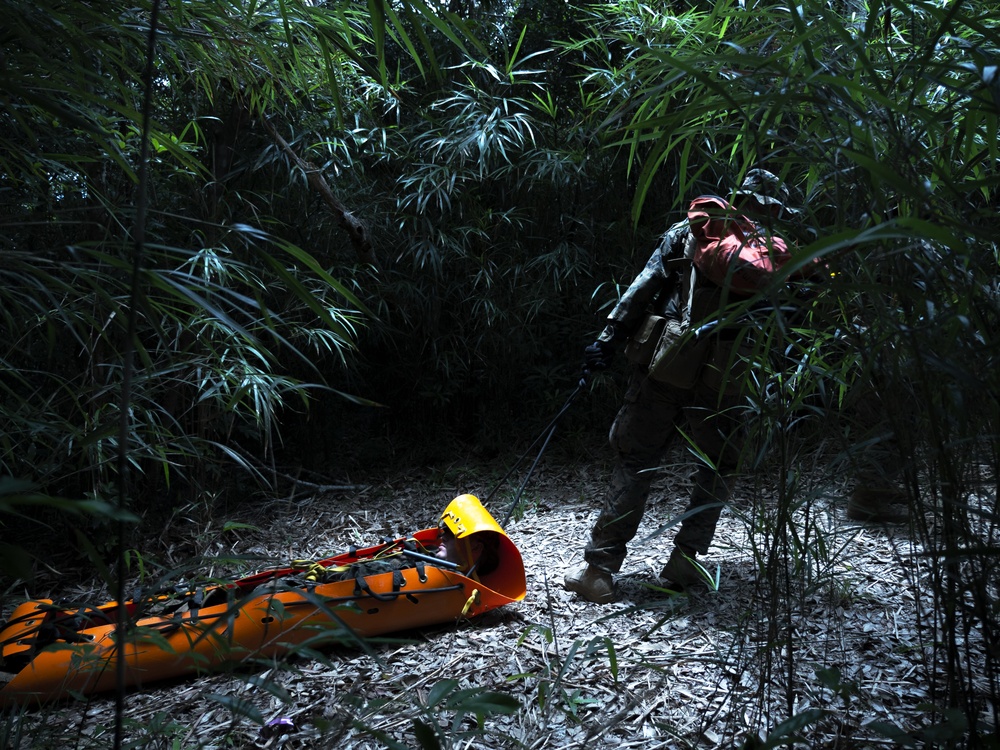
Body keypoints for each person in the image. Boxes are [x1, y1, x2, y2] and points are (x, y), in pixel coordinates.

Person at [565, 168, 804, 603]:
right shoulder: (774, 255)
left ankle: (599, 570)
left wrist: (606, 340)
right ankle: (685, 562)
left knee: (636, 459)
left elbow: (645, 286)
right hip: (729, 371)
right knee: (718, 467)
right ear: (775, 209)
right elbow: (785, 320)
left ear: (737, 196)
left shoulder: (694, 230)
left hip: (667, 362)